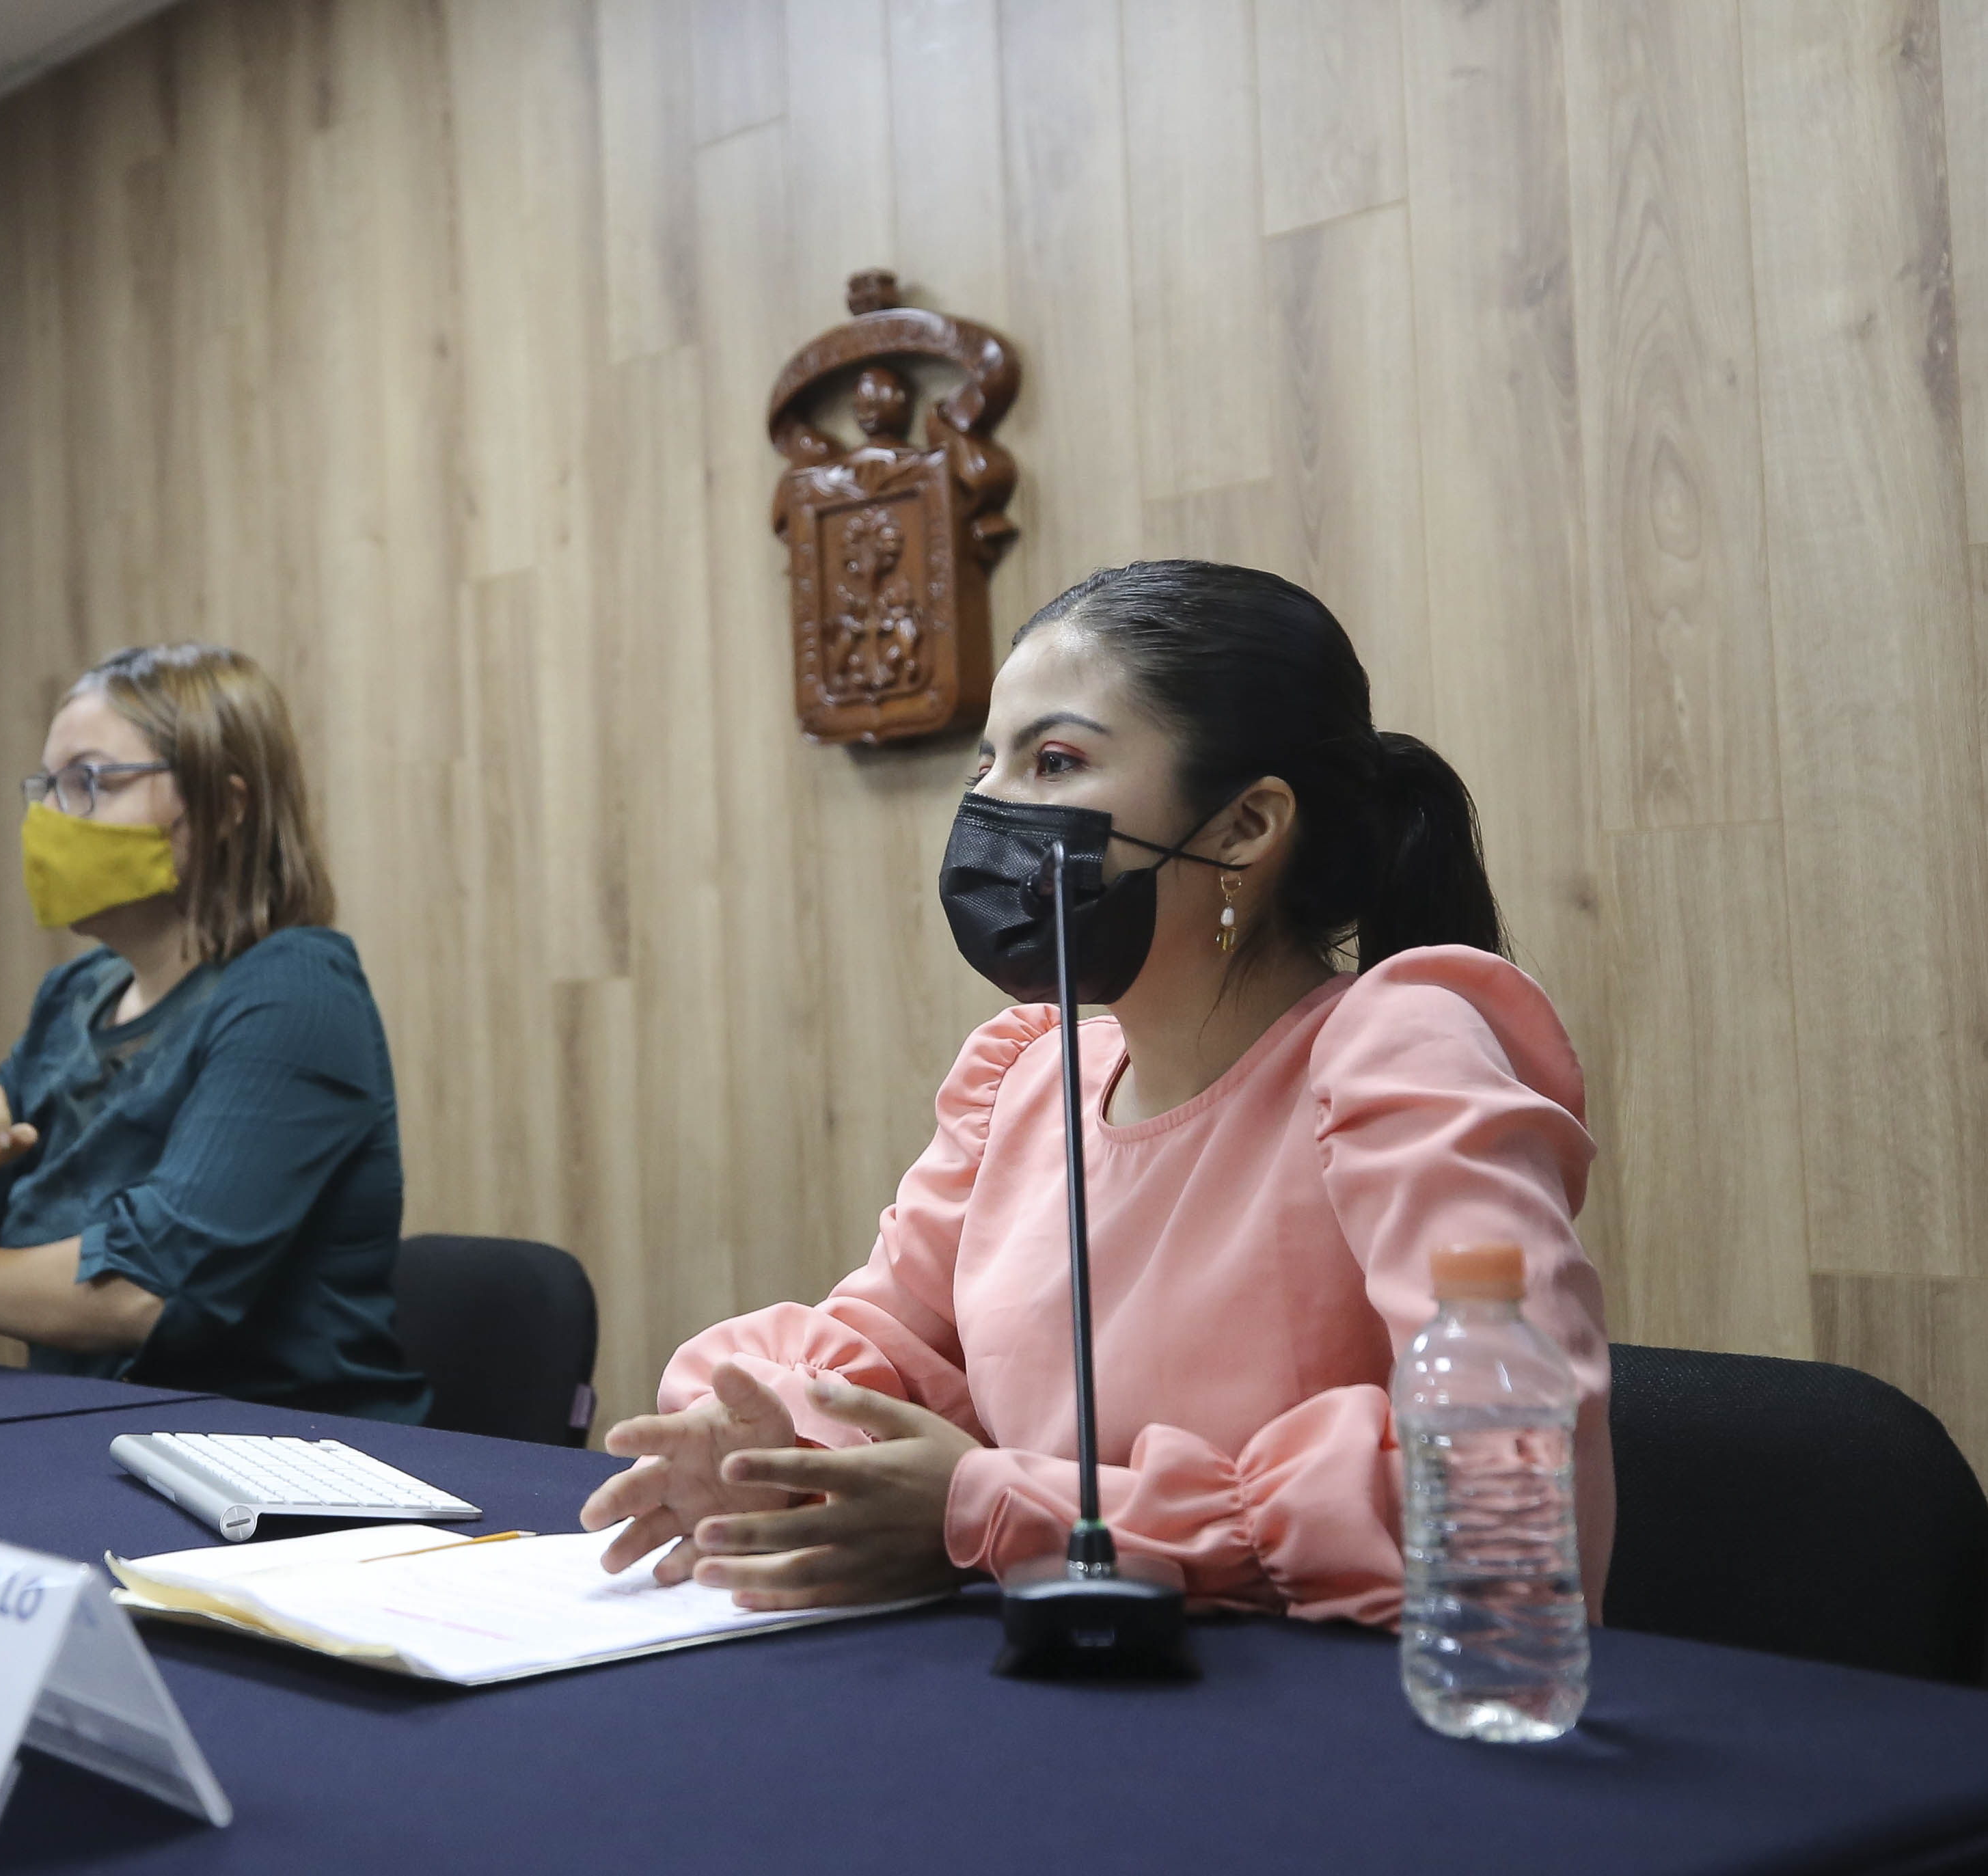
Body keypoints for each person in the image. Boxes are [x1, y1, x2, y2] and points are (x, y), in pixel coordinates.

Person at [581, 560, 1612, 1624]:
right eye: (984, 764)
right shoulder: (1026, 1076)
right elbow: (878, 1354)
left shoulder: (1398, 1051)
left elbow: (1505, 1486)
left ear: (1243, 826)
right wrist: (778, 1450)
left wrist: (1001, 1509)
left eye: (1054, 761)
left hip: (1322, 1698)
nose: (988, 806)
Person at [0, 643, 428, 1420]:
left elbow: (144, 1292)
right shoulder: (75, 996)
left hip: (286, 1459)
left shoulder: (295, 990)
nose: (50, 819)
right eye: (45, 788)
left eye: (88, 783)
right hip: (99, 1437)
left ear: (226, 808)